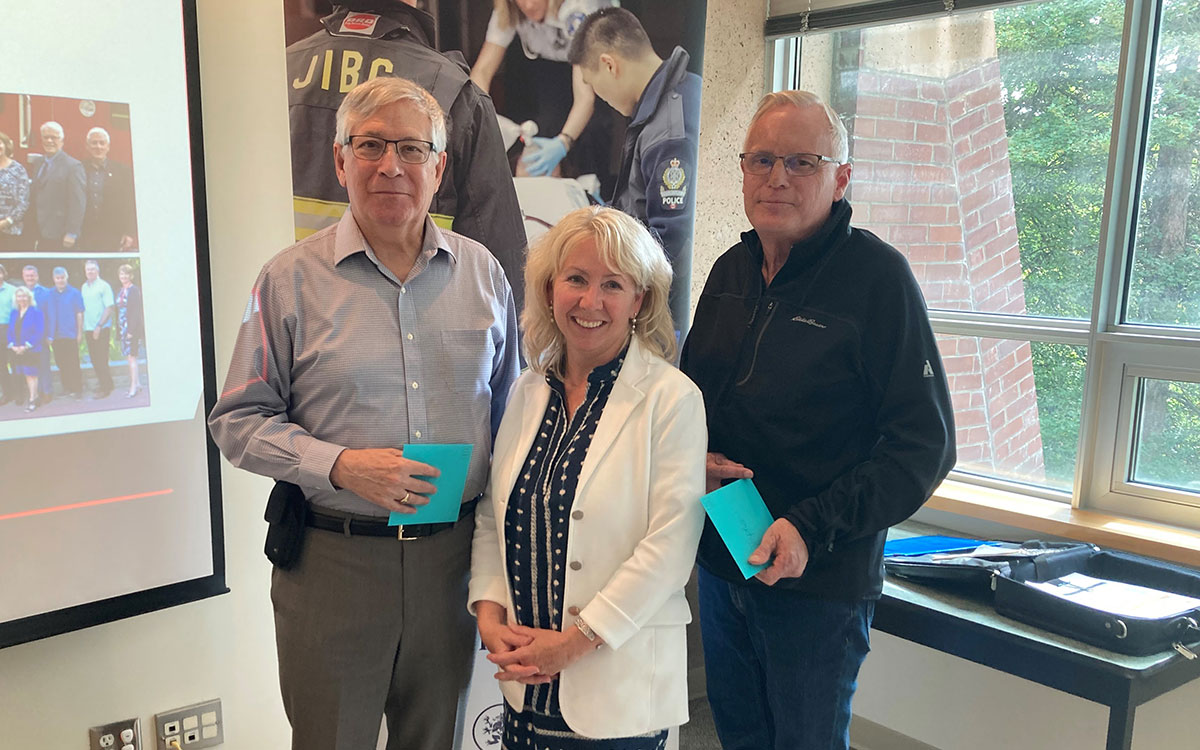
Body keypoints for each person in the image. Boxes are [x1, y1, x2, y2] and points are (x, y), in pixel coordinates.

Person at [208, 76, 520, 750]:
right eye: (371, 145)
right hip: (332, 566)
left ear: (440, 166)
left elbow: (511, 421)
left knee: (435, 740)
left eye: (412, 149)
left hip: (452, 565)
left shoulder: (485, 276)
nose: (391, 167)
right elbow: (236, 420)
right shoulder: (288, 280)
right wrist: (341, 466)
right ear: (341, 160)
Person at [679, 91, 956, 750]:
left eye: (802, 162)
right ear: (743, 170)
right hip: (724, 563)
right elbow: (690, 404)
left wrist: (810, 526)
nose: (777, 178)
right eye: (763, 160)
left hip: (816, 584)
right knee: (739, 735)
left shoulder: (877, 280)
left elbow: (924, 446)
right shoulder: (729, 272)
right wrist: (689, 457)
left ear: (841, 178)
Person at [470, 205, 706, 749]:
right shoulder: (529, 389)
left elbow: (669, 550)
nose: (590, 301)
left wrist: (573, 645)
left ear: (639, 300)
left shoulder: (671, 399)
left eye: (613, 284)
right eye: (575, 279)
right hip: (524, 685)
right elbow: (492, 513)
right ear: (550, 289)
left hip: (615, 688)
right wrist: (488, 614)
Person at [287, 0, 528, 314]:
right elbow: (503, 279)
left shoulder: (274, 75)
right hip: (420, 331)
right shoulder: (455, 93)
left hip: (292, 325)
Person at [568, 7, 701, 342]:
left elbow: (672, 241)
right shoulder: (669, 102)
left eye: (591, 83)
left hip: (660, 318)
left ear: (609, 65)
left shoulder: (669, 126)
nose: (597, 96)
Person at [470, 0, 616, 181]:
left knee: (592, 137)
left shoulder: (577, 10)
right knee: (544, 130)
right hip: (547, 71)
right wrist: (487, 119)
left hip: (590, 72)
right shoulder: (509, 11)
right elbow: (482, 72)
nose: (528, 5)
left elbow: (585, 99)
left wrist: (563, 143)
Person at [78, 127, 137, 252]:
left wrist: (130, 232)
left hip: (113, 234)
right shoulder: (78, 169)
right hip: (84, 234)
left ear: (108, 147)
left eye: (102, 143)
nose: (98, 147)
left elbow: (130, 203)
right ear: (87, 146)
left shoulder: (123, 171)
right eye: (94, 143)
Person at [31, 121, 86, 251]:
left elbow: (78, 202)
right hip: (39, 230)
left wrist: (72, 232)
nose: (49, 140)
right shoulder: (38, 163)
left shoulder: (73, 166)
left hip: (61, 233)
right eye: (46, 137)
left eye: (54, 137)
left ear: (61, 141)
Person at [47, 267, 86, 400]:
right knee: (61, 363)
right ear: (54, 279)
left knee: (73, 362)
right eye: (58, 278)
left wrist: (79, 333)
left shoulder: (74, 293)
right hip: (56, 335)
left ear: (66, 278)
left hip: (71, 334)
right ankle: (67, 387)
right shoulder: (50, 293)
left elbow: (79, 313)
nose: (60, 280)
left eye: (62, 277)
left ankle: (78, 389)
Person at [81, 260, 116, 398]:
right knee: (94, 359)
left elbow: (109, 308)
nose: (90, 272)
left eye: (92, 269)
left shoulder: (104, 286)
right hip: (88, 328)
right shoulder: (84, 286)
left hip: (100, 328)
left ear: (98, 271)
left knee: (101, 359)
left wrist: (99, 326)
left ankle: (106, 389)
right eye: (87, 269)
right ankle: (106, 383)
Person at [7, 286, 45, 413]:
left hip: (31, 349)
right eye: (19, 296)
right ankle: (36, 397)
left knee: (31, 374)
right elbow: (10, 331)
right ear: (16, 298)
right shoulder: (14, 313)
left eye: (24, 296)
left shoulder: (36, 312)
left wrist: (26, 346)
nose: (21, 298)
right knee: (26, 374)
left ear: (29, 297)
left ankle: (32, 400)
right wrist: (12, 345)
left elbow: (39, 332)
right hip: (17, 349)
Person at [21, 265, 55, 405]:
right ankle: (34, 393)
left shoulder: (46, 293)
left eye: (32, 275)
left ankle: (46, 391)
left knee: (44, 364)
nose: (30, 278)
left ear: (37, 276)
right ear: (23, 277)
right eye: (27, 275)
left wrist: (51, 335)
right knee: (30, 366)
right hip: (24, 337)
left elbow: (51, 315)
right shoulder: (19, 293)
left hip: (41, 336)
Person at [115, 264, 144, 398]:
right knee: (130, 357)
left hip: (131, 329)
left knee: (132, 357)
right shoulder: (121, 290)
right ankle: (137, 383)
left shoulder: (134, 290)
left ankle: (133, 387)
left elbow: (136, 312)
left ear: (131, 275)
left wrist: (131, 331)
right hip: (122, 328)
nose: (124, 276)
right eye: (121, 274)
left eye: (126, 274)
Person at [0, 131, 32, 252]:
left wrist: (7, 222)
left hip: (11, 231)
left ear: (6, 145)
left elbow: (23, 202)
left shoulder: (18, 170)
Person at [0, 264, 17, 404]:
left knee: (15, 361)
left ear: (4, 274)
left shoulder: (13, 290)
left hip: (10, 328)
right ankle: (7, 393)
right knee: (1, 365)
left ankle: (19, 392)